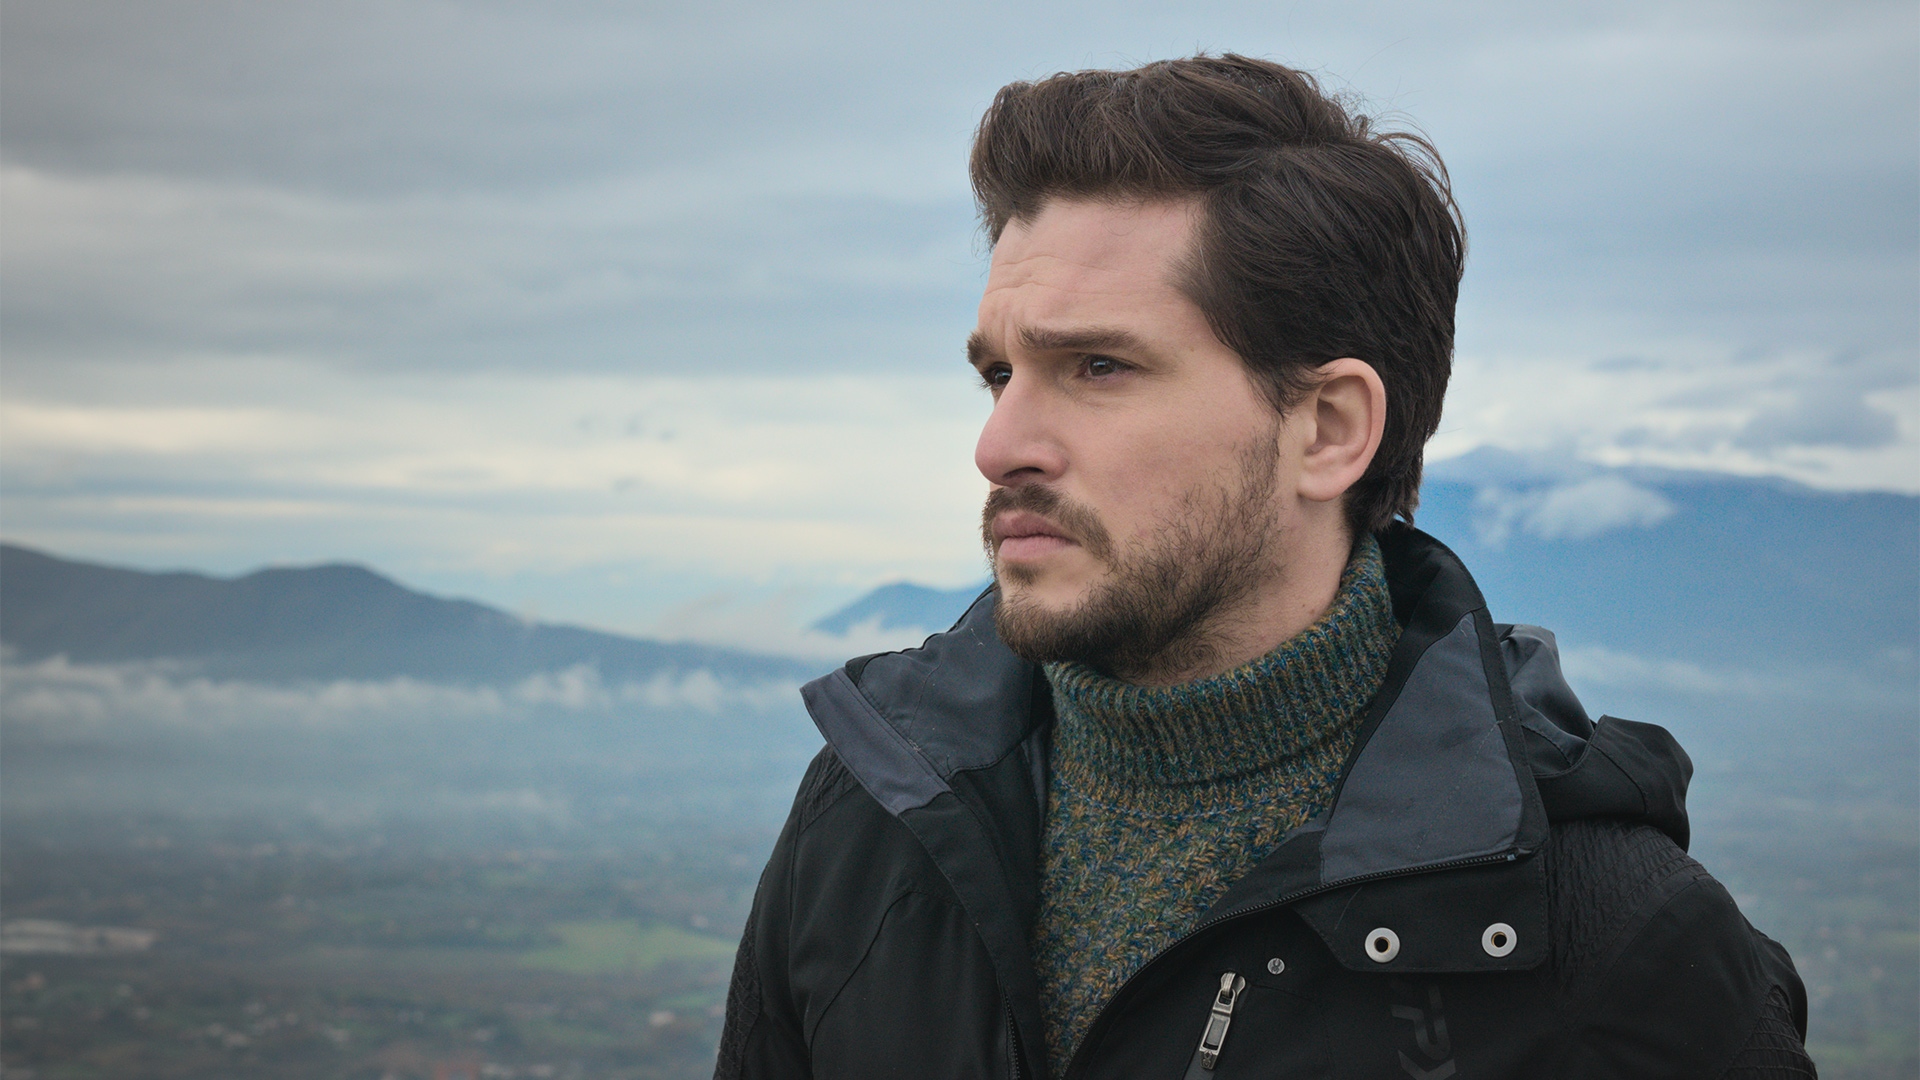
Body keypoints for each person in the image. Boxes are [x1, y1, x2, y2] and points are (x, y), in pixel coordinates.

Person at [715, 55, 1814, 1078]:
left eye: (1098, 365)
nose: (999, 445)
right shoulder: (874, 807)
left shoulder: (1614, 946)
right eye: (1000, 374)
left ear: (1329, 429)